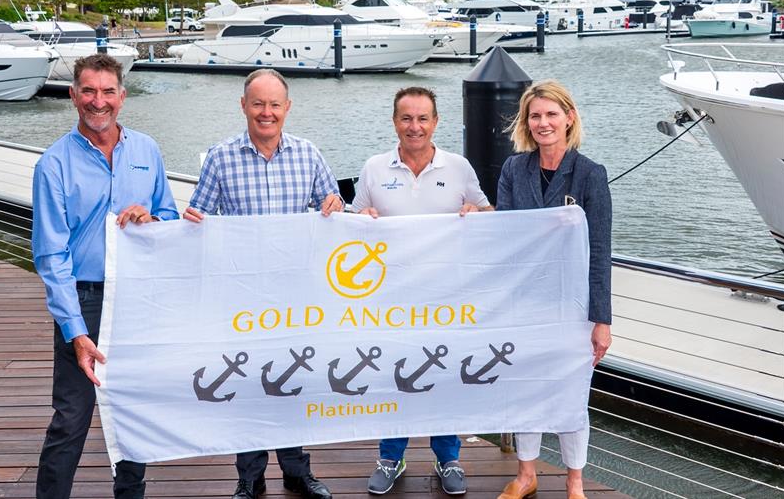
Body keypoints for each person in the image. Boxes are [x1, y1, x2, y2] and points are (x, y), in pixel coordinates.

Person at [182, 68, 340, 499]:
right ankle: (249, 475)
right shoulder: (220, 157)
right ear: (244, 106)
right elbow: (199, 218)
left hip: (295, 293)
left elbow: (333, 207)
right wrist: (191, 220)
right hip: (242, 294)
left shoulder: (308, 154)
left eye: (274, 105)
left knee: (291, 379)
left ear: (287, 108)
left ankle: (296, 470)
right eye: (258, 104)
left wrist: (334, 204)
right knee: (248, 383)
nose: (266, 113)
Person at [32, 54, 179, 499]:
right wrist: (75, 332)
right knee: (71, 417)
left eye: (108, 91)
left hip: (136, 298)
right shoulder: (53, 165)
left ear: (122, 96)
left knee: (131, 412)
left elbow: (169, 216)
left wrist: (151, 218)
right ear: (74, 96)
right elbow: (51, 256)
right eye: (89, 92)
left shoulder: (146, 150)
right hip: (84, 299)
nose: (99, 102)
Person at [352, 86, 492, 495]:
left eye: (423, 118)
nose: (415, 127)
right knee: (391, 374)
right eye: (407, 118)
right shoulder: (374, 168)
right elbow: (352, 219)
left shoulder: (459, 167)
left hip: (445, 297)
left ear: (436, 122)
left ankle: (448, 457)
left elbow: (488, 213)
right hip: (389, 298)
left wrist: (476, 213)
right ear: (395, 121)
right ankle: (391, 456)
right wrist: (361, 216)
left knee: (444, 375)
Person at [494, 80, 612, 499]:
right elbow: (504, 237)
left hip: (574, 307)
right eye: (535, 115)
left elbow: (600, 250)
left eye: (551, 114)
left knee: (570, 393)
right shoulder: (513, 170)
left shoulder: (590, 174)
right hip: (525, 304)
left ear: (569, 118)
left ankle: (574, 481)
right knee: (525, 389)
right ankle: (526, 474)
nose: (543, 123)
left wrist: (602, 321)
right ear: (527, 123)